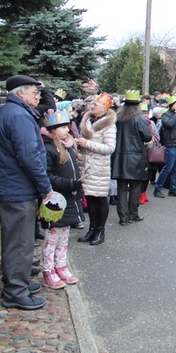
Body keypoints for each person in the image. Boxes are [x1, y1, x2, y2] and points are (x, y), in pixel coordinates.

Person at [0, 75, 54, 310]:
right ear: (21, 93)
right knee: (20, 243)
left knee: (18, 241)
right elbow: (29, 157)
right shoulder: (18, 115)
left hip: (15, 187)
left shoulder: (14, 112)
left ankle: (17, 283)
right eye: (34, 92)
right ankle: (15, 292)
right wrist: (45, 187)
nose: (37, 96)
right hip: (18, 190)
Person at [41, 110, 84, 289]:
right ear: (53, 129)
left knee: (64, 236)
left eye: (67, 126)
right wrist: (70, 184)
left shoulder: (68, 146)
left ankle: (61, 266)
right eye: (62, 127)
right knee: (52, 237)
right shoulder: (48, 148)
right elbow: (47, 176)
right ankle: (48, 269)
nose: (67, 130)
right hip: (56, 200)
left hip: (70, 198)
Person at [76, 92, 117, 245]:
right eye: (92, 104)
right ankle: (92, 229)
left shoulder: (108, 125)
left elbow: (109, 148)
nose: (92, 106)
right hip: (86, 164)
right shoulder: (87, 120)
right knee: (90, 198)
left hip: (99, 166)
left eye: (96, 105)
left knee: (100, 199)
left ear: (104, 108)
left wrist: (87, 144)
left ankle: (100, 230)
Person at [111, 91, 153, 225]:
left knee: (122, 188)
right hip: (136, 156)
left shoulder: (117, 117)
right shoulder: (139, 118)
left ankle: (123, 217)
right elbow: (147, 136)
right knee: (135, 187)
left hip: (119, 156)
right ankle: (133, 214)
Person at [153, 96, 176, 199]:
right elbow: (169, 124)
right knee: (168, 168)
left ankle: (173, 189)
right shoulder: (166, 115)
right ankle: (158, 189)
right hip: (172, 145)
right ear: (171, 105)